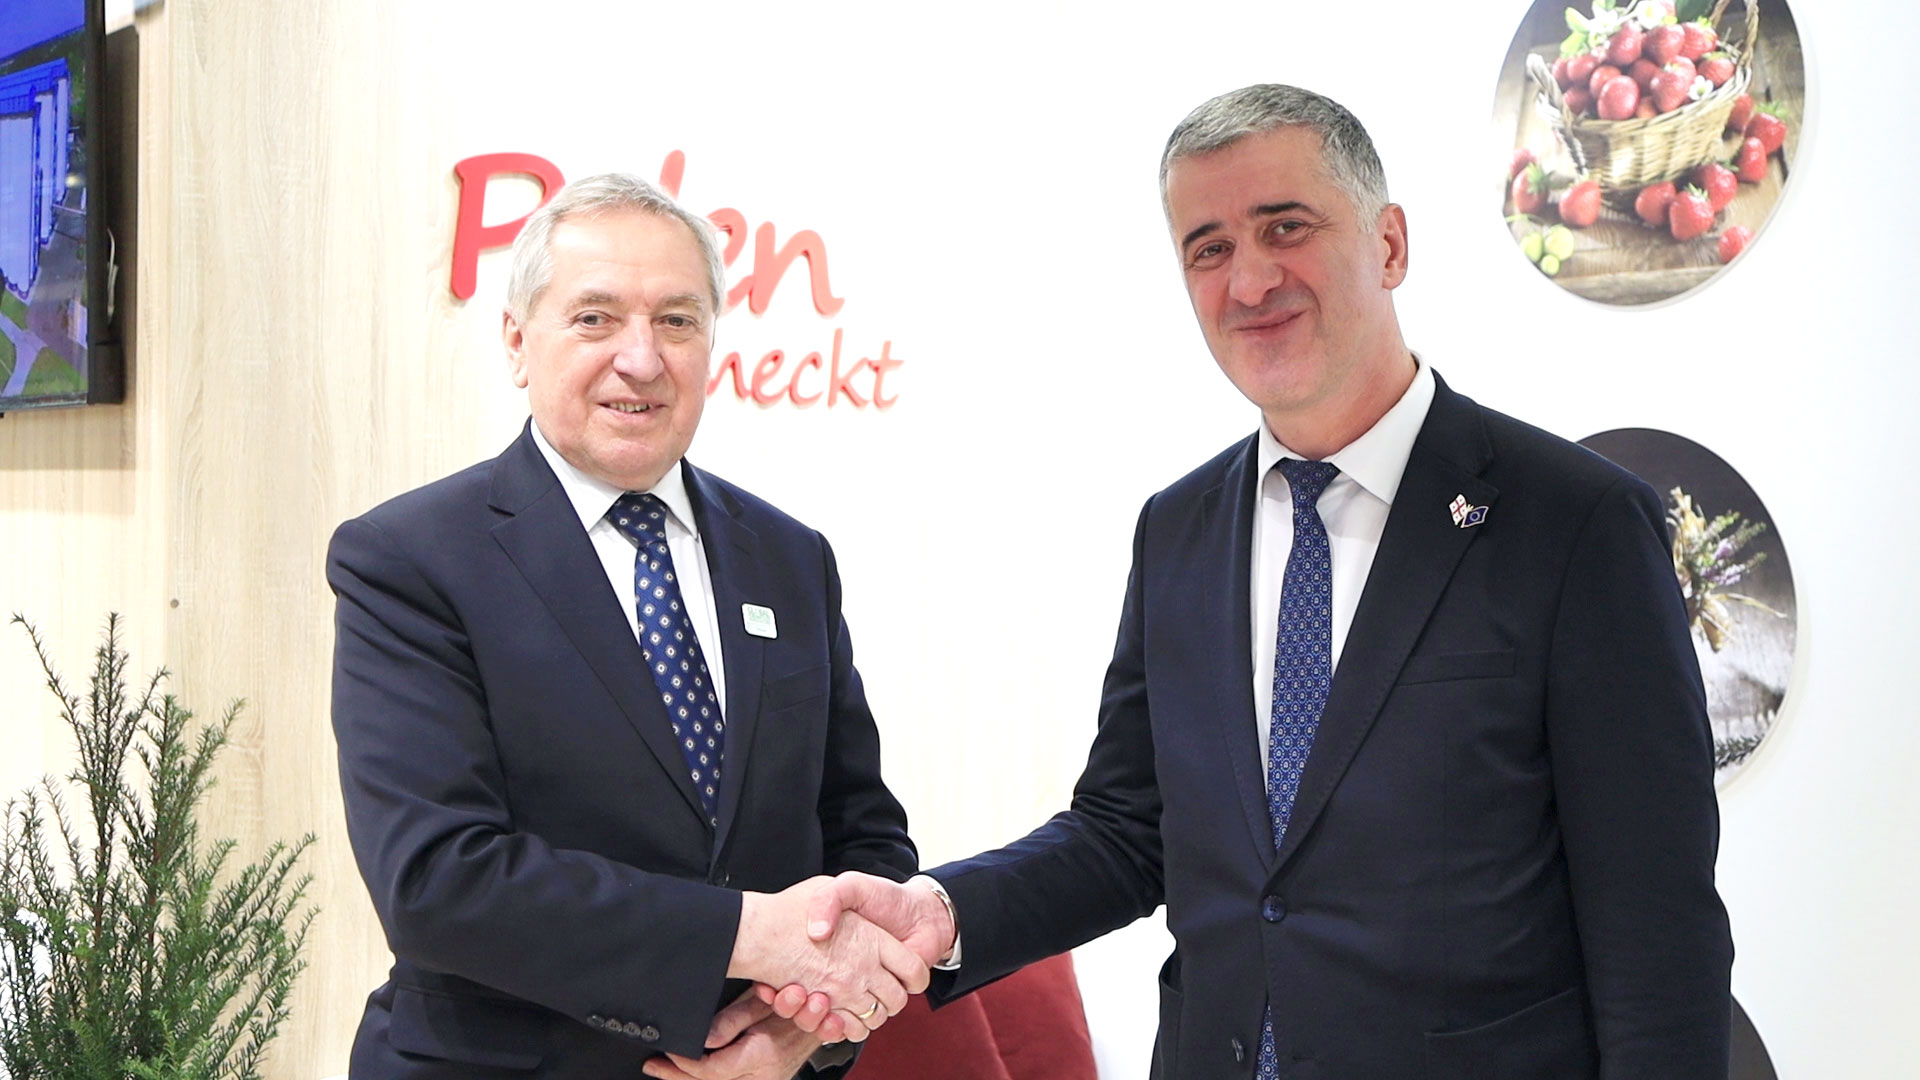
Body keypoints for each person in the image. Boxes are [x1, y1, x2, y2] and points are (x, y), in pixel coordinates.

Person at [783, 84, 1734, 1079]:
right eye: (1209, 248)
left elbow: (1656, 925)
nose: (1249, 280)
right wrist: (942, 914)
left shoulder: (1576, 524)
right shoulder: (1179, 530)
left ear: (1390, 245)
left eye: (1286, 228)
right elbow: (1128, 830)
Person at [328, 173, 926, 1080]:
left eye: (677, 321)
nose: (641, 359)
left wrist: (797, 1035)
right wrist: (748, 935)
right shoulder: (410, 560)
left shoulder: (789, 557)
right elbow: (438, 881)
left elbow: (864, 837)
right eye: (595, 318)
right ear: (518, 342)